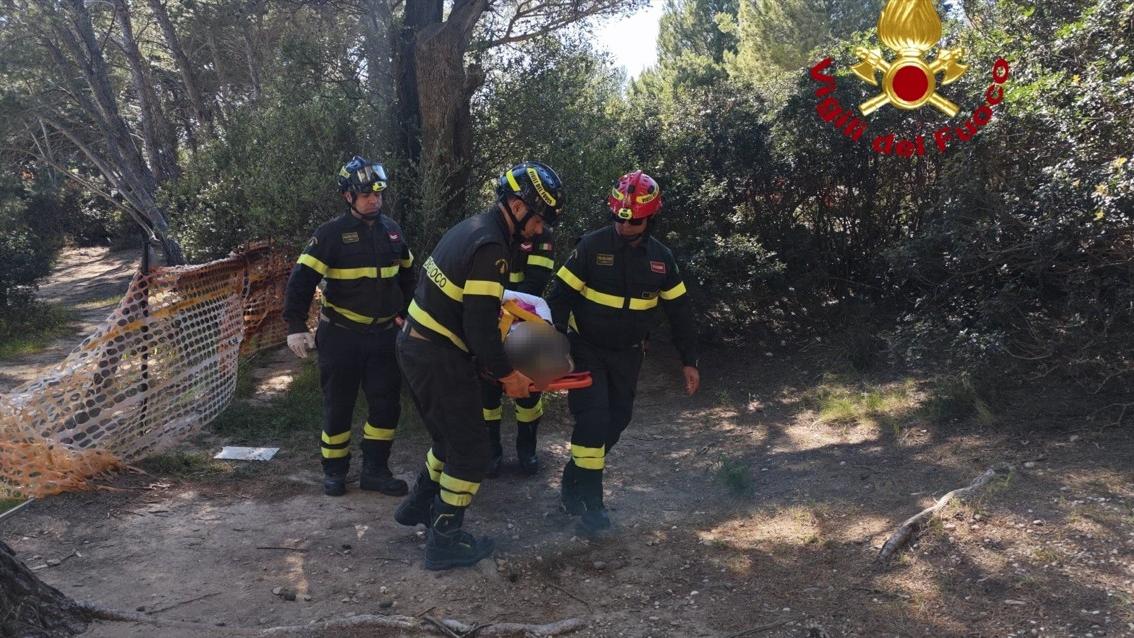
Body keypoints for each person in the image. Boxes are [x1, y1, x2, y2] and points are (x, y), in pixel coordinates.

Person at [393, 161, 565, 570]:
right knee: (471, 452)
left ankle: (419, 505)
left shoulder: (473, 228)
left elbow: (472, 309)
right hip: (437, 356)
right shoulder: (492, 247)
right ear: (518, 207)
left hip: (419, 347)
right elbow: (479, 325)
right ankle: (445, 541)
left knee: (448, 438)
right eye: (538, 219)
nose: (539, 229)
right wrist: (508, 375)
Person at [545, 170, 700, 537]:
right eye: (618, 218)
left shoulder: (662, 259)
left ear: (651, 219)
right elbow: (559, 299)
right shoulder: (590, 247)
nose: (624, 226)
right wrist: (555, 344)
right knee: (593, 420)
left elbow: (680, 313)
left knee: (617, 421)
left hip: (628, 355)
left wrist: (689, 361)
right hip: (586, 349)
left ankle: (574, 477)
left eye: (634, 222)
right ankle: (593, 506)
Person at [282, 156, 415, 497]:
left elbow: (408, 277)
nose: (374, 200)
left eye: (378, 194)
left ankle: (376, 470)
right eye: (366, 194)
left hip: (384, 336)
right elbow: (301, 280)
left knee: (386, 405)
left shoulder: (393, 230)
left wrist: (407, 313)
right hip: (341, 335)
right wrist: (295, 325)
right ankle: (335, 471)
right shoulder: (330, 234)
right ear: (348, 196)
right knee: (338, 405)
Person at [481, 228, 556, 477]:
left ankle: (527, 449)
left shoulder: (541, 235)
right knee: (487, 392)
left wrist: (510, 304)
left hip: (526, 316)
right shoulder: (489, 233)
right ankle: (491, 452)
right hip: (488, 314)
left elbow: (536, 282)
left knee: (528, 394)